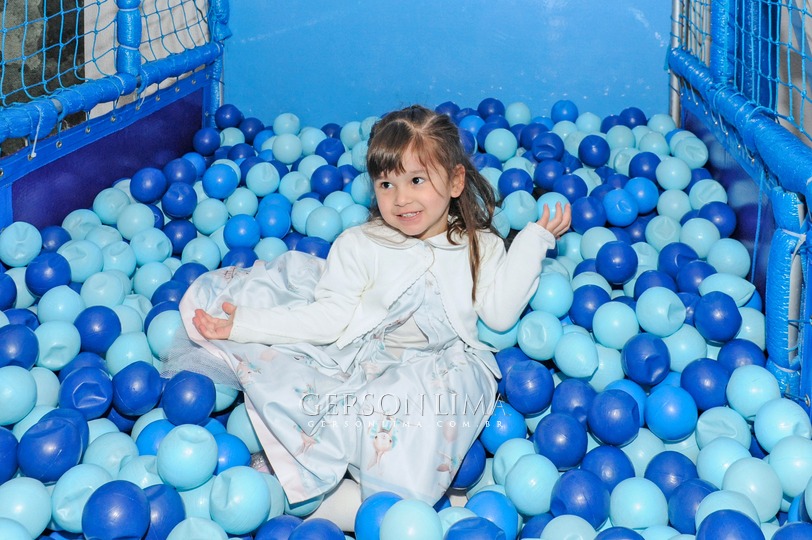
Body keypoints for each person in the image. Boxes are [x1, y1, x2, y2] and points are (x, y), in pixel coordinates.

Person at [170, 104, 571, 528]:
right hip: (366, 355)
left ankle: (378, 503)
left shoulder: (480, 245)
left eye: (417, 180)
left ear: (455, 181)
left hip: (445, 366)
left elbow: (500, 314)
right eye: (386, 184)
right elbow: (328, 317)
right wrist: (246, 324)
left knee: (418, 418)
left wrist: (533, 241)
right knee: (323, 402)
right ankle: (299, 487)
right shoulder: (362, 243)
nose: (401, 199)